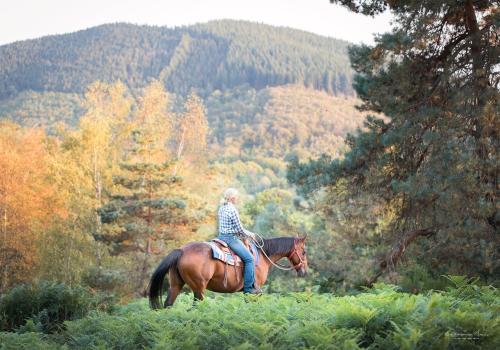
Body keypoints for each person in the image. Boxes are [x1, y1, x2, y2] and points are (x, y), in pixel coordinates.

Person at [217, 188, 262, 294]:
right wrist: (251, 234)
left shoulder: (222, 208)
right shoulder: (232, 210)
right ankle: (248, 289)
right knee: (249, 259)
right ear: (232, 198)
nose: (237, 198)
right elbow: (240, 229)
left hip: (220, 237)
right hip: (230, 238)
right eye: (236, 197)